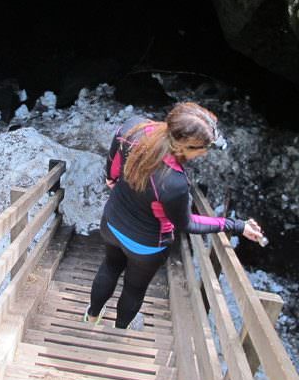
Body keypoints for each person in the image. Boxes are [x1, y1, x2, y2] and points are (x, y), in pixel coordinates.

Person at [85, 102, 266, 330]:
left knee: (110, 267)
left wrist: (116, 182)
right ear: (186, 147)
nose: (205, 153)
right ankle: (119, 330)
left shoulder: (133, 128)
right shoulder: (174, 183)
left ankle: (91, 318)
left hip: (112, 223)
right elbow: (187, 223)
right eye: (204, 148)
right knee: (134, 288)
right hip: (146, 246)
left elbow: (111, 173)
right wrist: (236, 225)